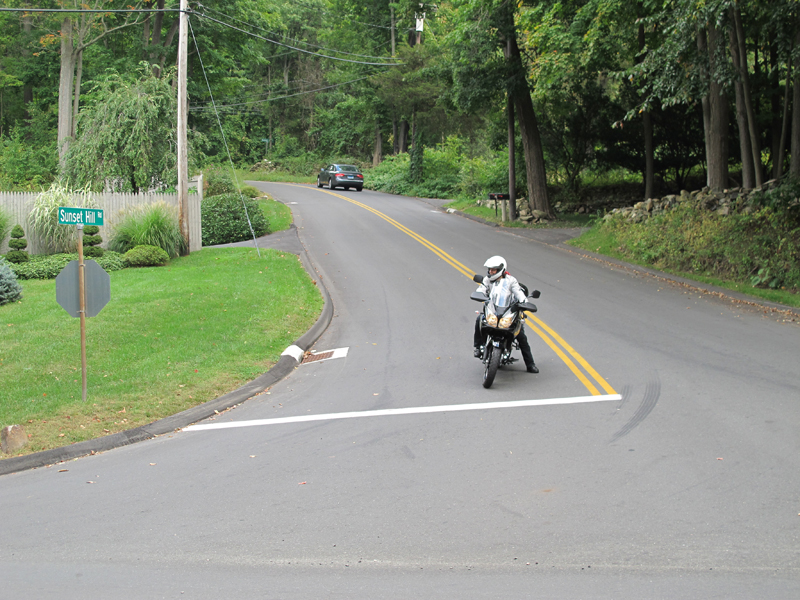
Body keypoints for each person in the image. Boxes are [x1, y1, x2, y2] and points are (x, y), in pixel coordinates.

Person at [473, 255, 538, 373]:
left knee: (521, 336)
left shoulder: (511, 280)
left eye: (493, 270)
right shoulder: (487, 279)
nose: (491, 272)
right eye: (490, 269)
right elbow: (481, 289)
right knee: (479, 320)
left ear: (501, 269)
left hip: (506, 311)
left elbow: (519, 293)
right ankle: (478, 347)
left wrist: (524, 302)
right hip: (493, 309)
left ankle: (530, 364)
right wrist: (478, 295)